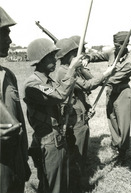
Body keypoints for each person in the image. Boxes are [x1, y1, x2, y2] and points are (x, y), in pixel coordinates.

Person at [23, 38, 82, 193]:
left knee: (60, 184)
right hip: (48, 141)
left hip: (56, 138)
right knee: (54, 187)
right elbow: (61, 95)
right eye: (51, 56)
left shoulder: (47, 81)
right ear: (40, 60)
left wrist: (64, 111)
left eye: (55, 55)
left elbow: (56, 102)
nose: (55, 59)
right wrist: (71, 71)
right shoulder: (33, 84)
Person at [55, 37, 115, 192]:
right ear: (68, 56)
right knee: (77, 158)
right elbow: (88, 85)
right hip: (75, 123)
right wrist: (105, 73)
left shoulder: (71, 69)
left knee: (81, 156)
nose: (79, 56)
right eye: (76, 53)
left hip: (81, 118)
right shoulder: (64, 71)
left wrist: (88, 107)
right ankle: (78, 187)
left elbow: (80, 94)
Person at [85, 31, 131, 165]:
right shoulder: (112, 52)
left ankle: (123, 152)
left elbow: (112, 80)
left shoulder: (130, 62)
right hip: (111, 92)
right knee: (111, 118)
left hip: (122, 93)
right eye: (114, 45)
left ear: (126, 44)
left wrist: (94, 79)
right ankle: (116, 145)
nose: (115, 47)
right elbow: (98, 56)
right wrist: (88, 58)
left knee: (123, 124)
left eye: (118, 45)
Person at [0, 7, 31, 193]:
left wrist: (23, 160)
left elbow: (19, 124)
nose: (9, 40)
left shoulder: (8, 75)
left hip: (13, 166)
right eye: (3, 33)